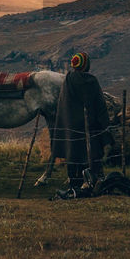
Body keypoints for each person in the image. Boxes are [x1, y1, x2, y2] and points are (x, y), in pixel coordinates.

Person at [52, 52, 116, 190]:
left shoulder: (68, 80)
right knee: (90, 152)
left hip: (71, 126)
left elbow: (64, 105)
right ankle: (91, 180)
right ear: (85, 65)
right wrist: (105, 128)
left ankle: (74, 180)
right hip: (89, 126)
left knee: (73, 151)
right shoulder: (90, 81)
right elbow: (100, 105)